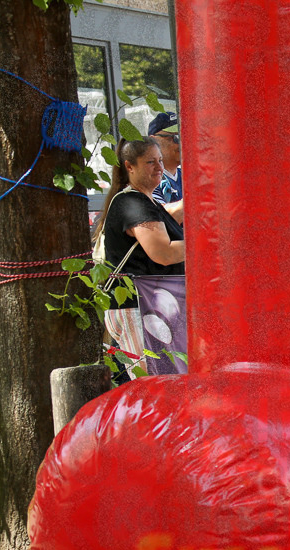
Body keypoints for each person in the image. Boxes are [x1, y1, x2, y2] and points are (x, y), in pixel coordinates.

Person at [92, 138, 186, 377]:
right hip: (138, 309)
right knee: (156, 386)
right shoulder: (132, 203)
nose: (159, 167)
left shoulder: (146, 201)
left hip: (154, 309)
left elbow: (169, 216)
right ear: (129, 166)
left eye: (160, 161)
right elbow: (162, 252)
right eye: (150, 162)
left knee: (169, 381)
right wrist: (209, 246)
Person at [147, 112, 185, 224]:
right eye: (176, 137)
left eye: (185, 136)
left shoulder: (189, 176)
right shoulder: (148, 179)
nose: (183, 143)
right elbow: (160, 219)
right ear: (154, 140)